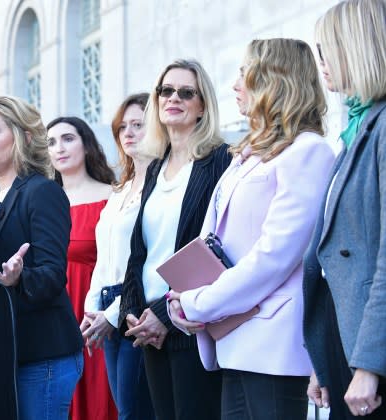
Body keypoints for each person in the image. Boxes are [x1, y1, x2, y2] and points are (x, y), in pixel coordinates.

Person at [167, 39, 335, 419]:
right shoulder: (246, 156)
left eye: (245, 73)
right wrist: (181, 301)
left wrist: (201, 303)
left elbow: (274, 256)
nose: (235, 84)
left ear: (274, 80)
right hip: (232, 339)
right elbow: (214, 243)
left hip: (274, 347)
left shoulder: (309, 151)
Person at [118, 59, 231, 420]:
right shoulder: (155, 167)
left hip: (191, 320)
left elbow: (215, 247)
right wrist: (132, 313)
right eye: (166, 90)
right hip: (147, 326)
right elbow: (140, 251)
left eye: (186, 92)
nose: (174, 98)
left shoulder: (220, 161)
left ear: (202, 106)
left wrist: (164, 317)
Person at [0, 95, 83, 419]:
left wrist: (20, 278)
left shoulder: (42, 192)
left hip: (42, 354)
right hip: (4, 351)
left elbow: (52, 274)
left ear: (23, 136)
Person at [303, 0, 386, 417]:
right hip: (344, 341)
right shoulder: (356, 127)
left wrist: (370, 363)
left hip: (371, 355)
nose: (321, 63)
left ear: (356, 47)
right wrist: (324, 358)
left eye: (326, 49)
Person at [80, 93, 155, 419]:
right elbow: (104, 254)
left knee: (134, 412)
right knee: (124, 408)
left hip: (137, 304)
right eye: (122, 126)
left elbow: (152, 258)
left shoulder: (160, 185)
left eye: (138, 125)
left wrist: (113, 312)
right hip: (108, 303)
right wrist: (91, 307)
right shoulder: (120, 189)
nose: (128, 133)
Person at [46, 116, 117, 420]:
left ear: (86, 145)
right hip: (53, 315)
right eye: (51, 142)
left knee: (101, 401)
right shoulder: (42, 199)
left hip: (96, 316)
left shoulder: (112, 196)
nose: (59, 148)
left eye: (67, 138)